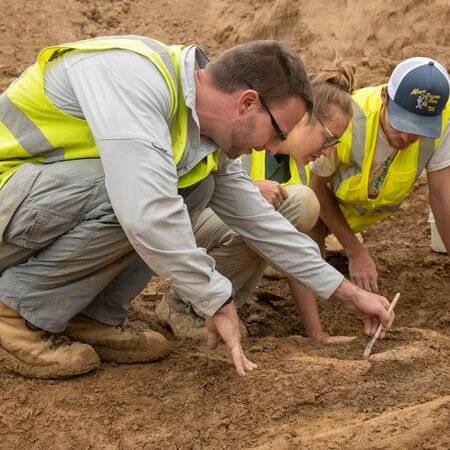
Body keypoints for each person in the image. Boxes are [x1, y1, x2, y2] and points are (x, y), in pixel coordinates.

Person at [0, 35, 394, 380]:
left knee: (193, 186)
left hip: (33, 210)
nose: (273, 148)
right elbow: (146, 212)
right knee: (140, 185)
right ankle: (13, 314)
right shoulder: (133, 78)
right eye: (276, 132)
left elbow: (262, 224)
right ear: (247, 102)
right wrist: (216, 298)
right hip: (10, 198)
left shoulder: (201, 135)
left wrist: (344, 292)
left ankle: (90, 315)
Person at [156, 59, 359, 343]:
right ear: (302, 118)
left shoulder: (300, 167)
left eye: (333, 144)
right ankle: (184, 302)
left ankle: (219, 305)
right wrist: (250, 188)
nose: (327, 152)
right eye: (327, 138)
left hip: (215, 234)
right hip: (180, 231)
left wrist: (317, 335)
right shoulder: (247, 135)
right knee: (299, 204)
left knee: (296, 210)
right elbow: (190, 179)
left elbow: (292, 250)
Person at [294, 57, 450, 314]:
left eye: (419, 129)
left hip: (353, 213)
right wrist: (355, 252)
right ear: (385, 97)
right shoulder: (349, 117)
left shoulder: (442, 120)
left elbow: (443, 196)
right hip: (306, 205)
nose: (407, 137)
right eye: (401, 123)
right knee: (308, 261)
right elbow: (315, 188)